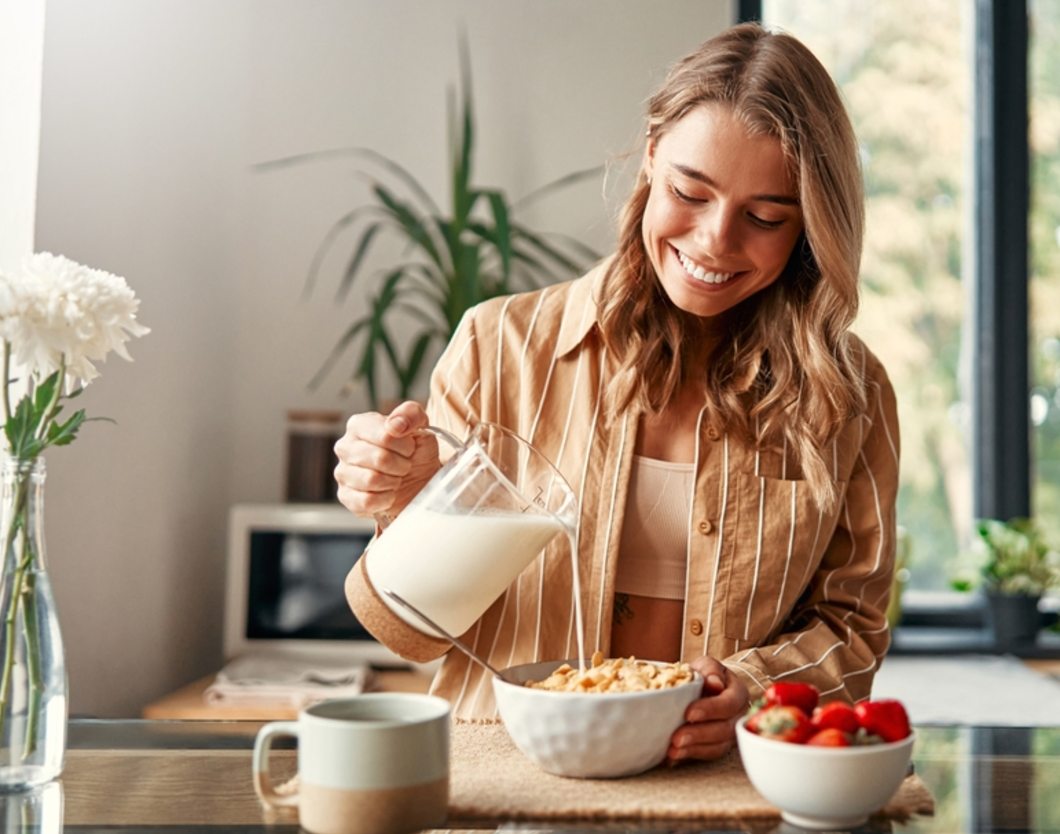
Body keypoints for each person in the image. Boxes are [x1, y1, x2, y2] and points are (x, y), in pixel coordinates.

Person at [336, 22, 899, 764]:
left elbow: (853, 626)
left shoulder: (849, 395)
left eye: (765, 217)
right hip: (503, 773)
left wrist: (751, 686)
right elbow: (405, 631)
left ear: (811, 227)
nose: (714, 242)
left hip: (715, 785)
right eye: (689, 192)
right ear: (652, 155)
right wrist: (408, 508)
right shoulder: (497, 346)